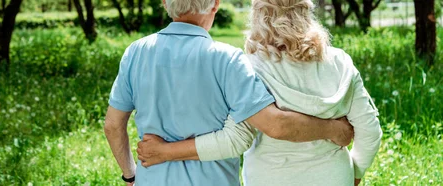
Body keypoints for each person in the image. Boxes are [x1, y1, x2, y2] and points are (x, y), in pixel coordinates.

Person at [103, 0, 355, 185]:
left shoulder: (135, 52)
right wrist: (334, 130)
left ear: (165, 4)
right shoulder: (227, 59)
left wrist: (130, 175)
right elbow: (274, 125)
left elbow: (113, 126)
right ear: (214, 5)